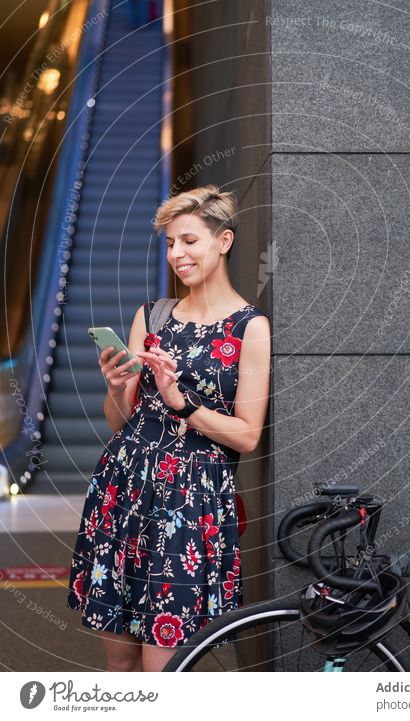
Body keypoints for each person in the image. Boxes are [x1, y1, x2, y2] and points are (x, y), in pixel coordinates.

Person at [66, 185, 271, 672]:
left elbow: (247, 435)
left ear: (223, 241)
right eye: (170, 243)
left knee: (165, 669)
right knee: (118, 661)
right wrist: (118, 388)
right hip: (125, 489)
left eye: (189, 241)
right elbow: (120, 420)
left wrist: (181, 404)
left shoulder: (249, 328)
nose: (177, 254)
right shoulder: (151, 316)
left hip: (190, 503)